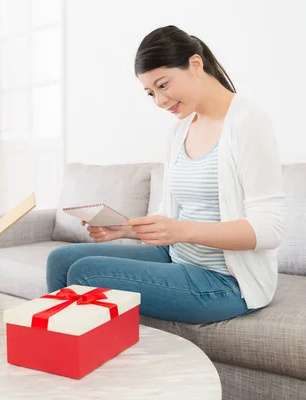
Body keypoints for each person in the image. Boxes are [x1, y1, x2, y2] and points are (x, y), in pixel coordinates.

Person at [46, 25, 285, 324]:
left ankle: (80, 357)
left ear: (195, 65)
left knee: (87, 273)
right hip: (176, 256)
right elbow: (168, 217)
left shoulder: (248, 121)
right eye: (150, 93)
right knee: (60, 259)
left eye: (163, 85)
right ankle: (63, 351)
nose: (159, 101)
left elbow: (270, 229)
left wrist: (183, 230)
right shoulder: (179, 130)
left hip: (225, 281)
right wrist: (125, 229)